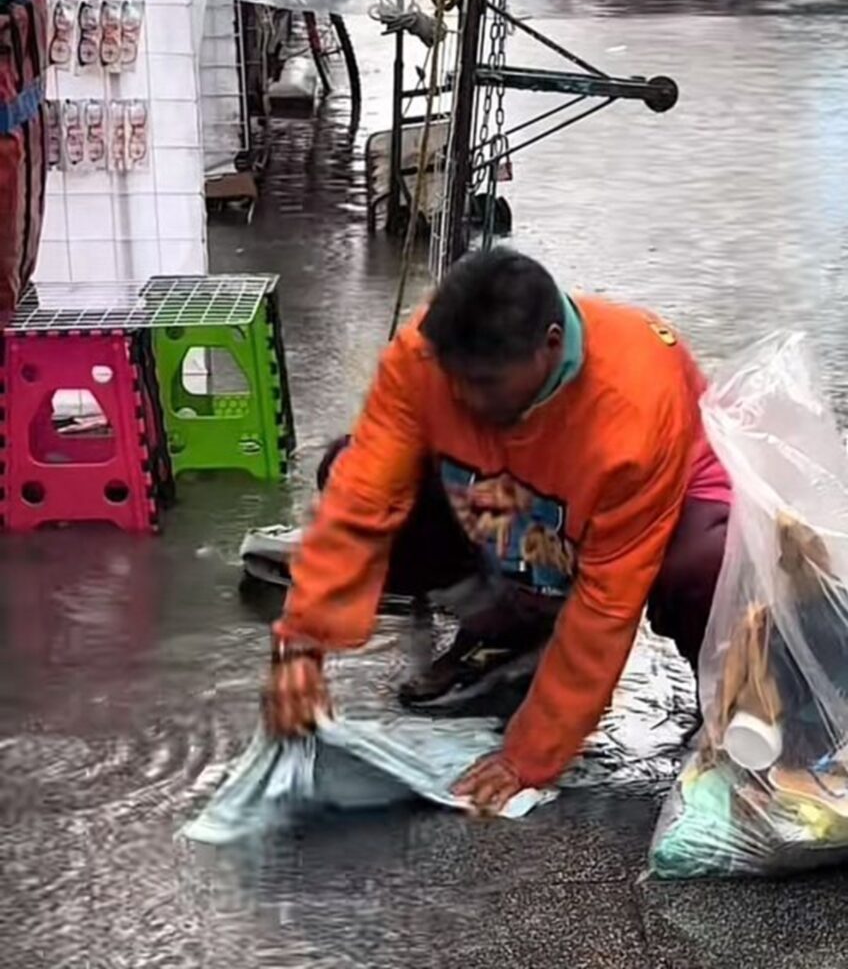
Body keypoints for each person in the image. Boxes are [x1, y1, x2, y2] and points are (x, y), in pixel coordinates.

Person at [265, 248, 731, 814]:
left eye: (483, 383)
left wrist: (530, 755)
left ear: (552, 346)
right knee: (345, 467)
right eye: (451, 379)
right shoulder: (427, 356)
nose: (461, 398)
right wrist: (302, 643)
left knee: (709, 560)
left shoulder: (633, 407)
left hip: (645, 515)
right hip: (513, 495)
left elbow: (607, 606)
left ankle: (732, 706)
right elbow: (364, 497)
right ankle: (504, 626)